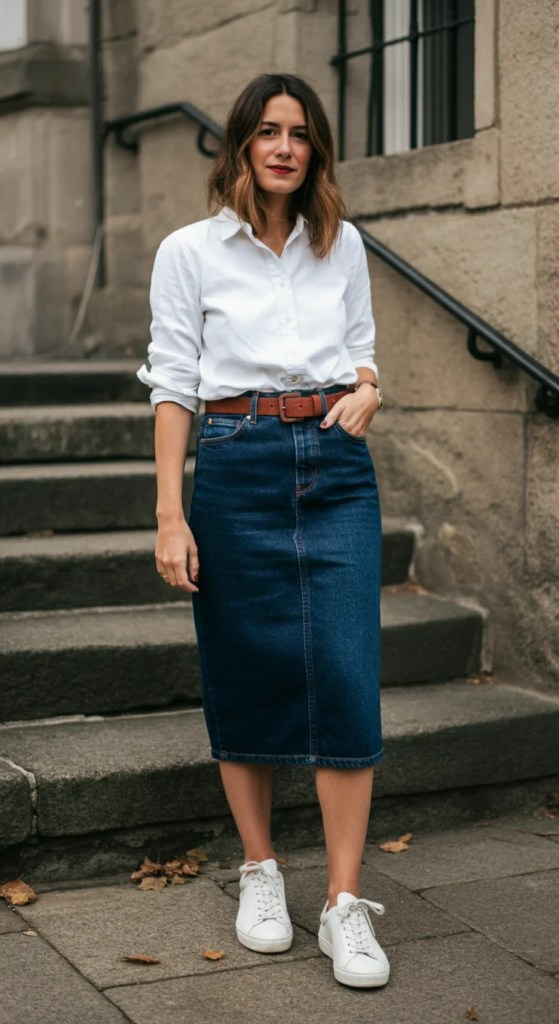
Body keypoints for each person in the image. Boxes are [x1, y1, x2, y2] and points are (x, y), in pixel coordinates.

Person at [137, 72, 389, 989]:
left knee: (346, 668)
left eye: (300, 134)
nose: (284, 147)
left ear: (315, 149)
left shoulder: (343, 245)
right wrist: (171, 515)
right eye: (267, 132)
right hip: (236, 460)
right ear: (241, 144)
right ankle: (261, 871)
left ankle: (344, 904)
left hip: (335, 465)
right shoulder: (188, 252)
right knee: (243, 661)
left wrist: (368, 391)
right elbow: (172, 384)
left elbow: (363, 353)